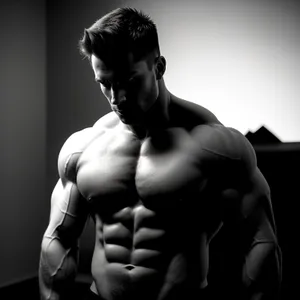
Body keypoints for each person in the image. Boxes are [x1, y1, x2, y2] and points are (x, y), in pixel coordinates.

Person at [39, 7, 282, 300]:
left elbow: (261, 242)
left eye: (129, 81)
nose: (118, 98)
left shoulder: (215, 147)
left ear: (159, 67)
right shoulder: (84, 148)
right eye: (105, 84)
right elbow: (59, 240)